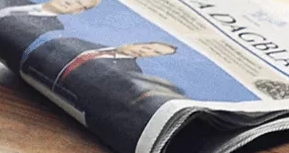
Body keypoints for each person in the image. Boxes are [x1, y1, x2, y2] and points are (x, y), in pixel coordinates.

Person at [23, 38, 178, 107]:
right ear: (138, 42)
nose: (147, 51)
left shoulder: (130, 73)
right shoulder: (78, 43)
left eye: (155, 53)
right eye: (149, 47)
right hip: (26, 84)